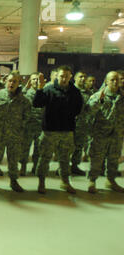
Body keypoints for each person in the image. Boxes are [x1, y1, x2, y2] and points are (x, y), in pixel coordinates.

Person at [33, 66, 83, 194]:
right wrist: (39, 89)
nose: (64, 78)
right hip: (50, 131)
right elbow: (37, 103)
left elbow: (78, 108)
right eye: (61, 76)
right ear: (57, 76)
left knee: (65, 158)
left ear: (70, 77)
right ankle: (41, 181)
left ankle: (65, 181)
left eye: (66, 76)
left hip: (67, 130)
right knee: (45, 157)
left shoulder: (74, 91)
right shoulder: (49, 89)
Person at [87, 71, 124, 193]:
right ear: (106, 81)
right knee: (97, 159)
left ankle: (111, 180)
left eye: (117, 80)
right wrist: (98, 102)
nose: (115, 82)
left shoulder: (122, 97)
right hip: (100, 134)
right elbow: (88, 112)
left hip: (117, 134)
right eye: (112, 80)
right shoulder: (98, 96)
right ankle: (92, 181)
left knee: (114, 158)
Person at [20, 72, 43, 176]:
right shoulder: (26, 93)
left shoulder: (44, 93)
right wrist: (26, 87)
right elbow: (18, 98)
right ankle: (23, 166)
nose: (36, 81)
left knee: (39, 148)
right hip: (28, 125)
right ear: (30, 81)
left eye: (38, 79)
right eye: (34, 79)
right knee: (25, 147)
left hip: (40, 125)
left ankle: (35, 166)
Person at [71, 71, 91, 175]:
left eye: (84, 77)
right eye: (80, 77)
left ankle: (74, 166)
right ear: (75, 78)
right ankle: (63, 167)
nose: (83, 79)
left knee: (78, 146)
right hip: (69, 123)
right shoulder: (70, 90)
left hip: (82, 124)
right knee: (66, 146)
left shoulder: (88, 92)